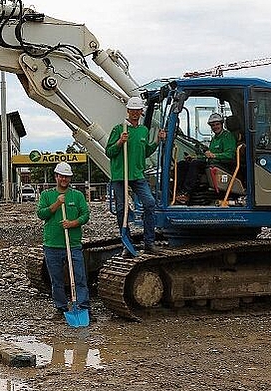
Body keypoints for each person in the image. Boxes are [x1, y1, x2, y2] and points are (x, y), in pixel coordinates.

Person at [105, 96, 166, 257]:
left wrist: (158, 141)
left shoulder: (143, 131)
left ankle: (149, 242)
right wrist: (119, 142)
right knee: (121, 209)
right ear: (128, 111)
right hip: (120, 176)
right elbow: (109, 152)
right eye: (132, 110)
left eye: (137, 110)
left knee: (150, 203)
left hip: (137, 174)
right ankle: (127, 243)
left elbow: (145, 152)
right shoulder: (119, 129)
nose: (134, 113)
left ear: (141, 112)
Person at [36, 162, 90, 317]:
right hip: (52, 244)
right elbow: (41, 214)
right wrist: (57, 204)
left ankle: (82, 306)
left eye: (67, 176)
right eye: (61, 176)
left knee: (79, 277)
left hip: (73, 244)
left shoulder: (77, 196)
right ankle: (61, 307)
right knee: (57, 280)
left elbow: (85, 215)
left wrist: (73, 223)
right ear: (56, 177)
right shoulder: (47, 195)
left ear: (70, 178)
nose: (64, 179)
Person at [175, 113, 236, 204]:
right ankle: (179, 191)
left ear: (222, 124)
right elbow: (208, 155)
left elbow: (230, 155)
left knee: (195, 164)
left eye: (217, 124)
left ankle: (187, 192)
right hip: (212, 162)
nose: (215, 127)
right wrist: (194, 157)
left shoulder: (227, 137)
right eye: (213, 125)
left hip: (223, 164)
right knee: (182, 164)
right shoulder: (215, 138)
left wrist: (215, 156)